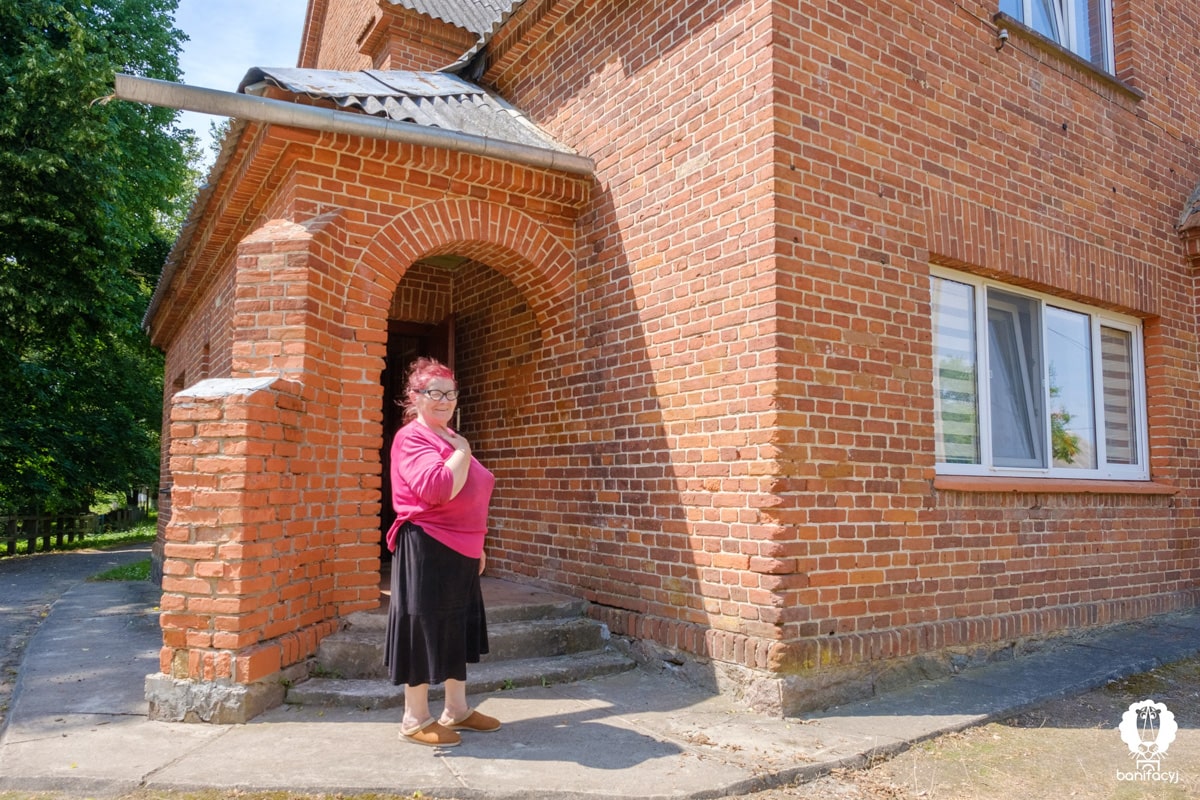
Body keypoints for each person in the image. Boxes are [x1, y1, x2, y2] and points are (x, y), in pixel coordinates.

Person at [384, 357, 500, 746]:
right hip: (427, 545)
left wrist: (477, 543)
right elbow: (437, 489)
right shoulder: (413, 438)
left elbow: (474, 495)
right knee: (423, 628)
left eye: (450, 394)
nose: (444, 400)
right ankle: (414, 718)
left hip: (460, 549)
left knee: (456, 627)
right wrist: (463, 451)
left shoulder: (446, 437)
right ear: (414, 397)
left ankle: (457, 710)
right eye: (434, 392)